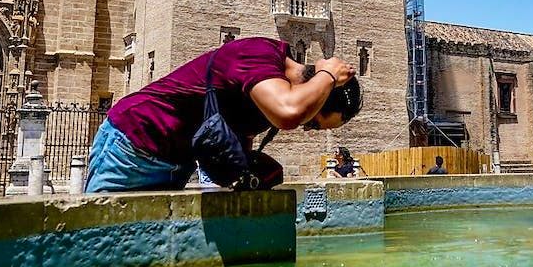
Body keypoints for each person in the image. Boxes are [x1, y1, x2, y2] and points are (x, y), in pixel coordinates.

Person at [85, 37, 362, 192]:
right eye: (313, 123)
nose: (305, 127)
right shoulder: (260, 54)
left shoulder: (265, 97)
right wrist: (328, 74)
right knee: (100, 253)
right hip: (135, 144)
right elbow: (289, 112)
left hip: (175, 162)